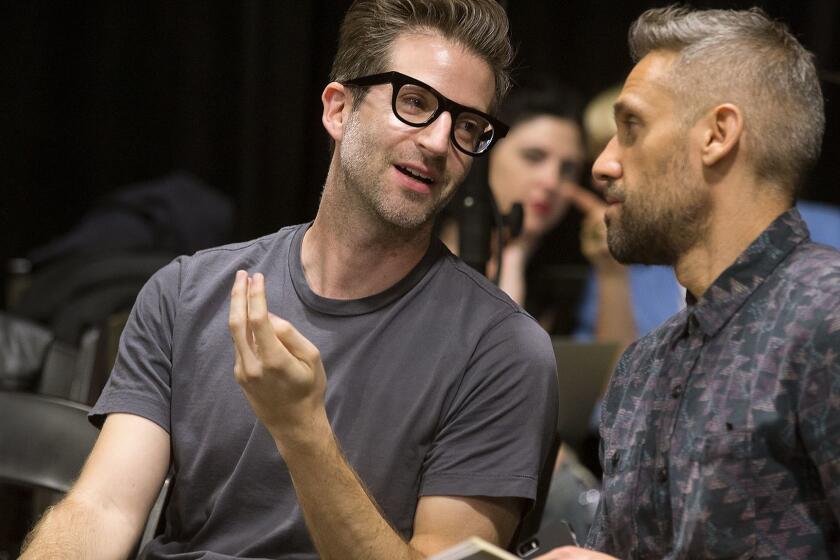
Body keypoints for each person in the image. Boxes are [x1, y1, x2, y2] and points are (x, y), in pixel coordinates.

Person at [20, 1, 559, 558]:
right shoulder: (186, 293)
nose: (439, 142)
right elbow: (103, 507)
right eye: (415, 102)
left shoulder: (502, 349)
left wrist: (302, 428)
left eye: (469, 125)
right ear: (338, 109)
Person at [538, 5, 840, 559]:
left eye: (631, 127)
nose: (603, 165)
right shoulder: (642, 366)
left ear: (717, 135)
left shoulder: (828, 317)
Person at [438, 81, 587, 327]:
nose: (551, 182)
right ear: (484, 155)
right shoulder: (414, 255)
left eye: (568, 169)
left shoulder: (562, 286)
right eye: (533, 157)